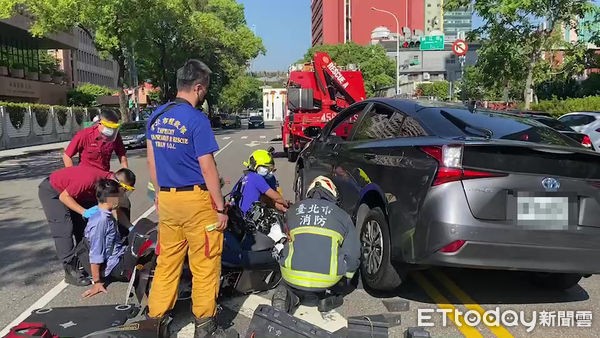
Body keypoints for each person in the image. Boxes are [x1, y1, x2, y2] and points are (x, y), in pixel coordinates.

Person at [146, 59, 234, 337]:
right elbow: (208, 167)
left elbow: (152, 161)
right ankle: (205, 326)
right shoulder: (197, 120)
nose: (204, 95)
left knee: (167, 262)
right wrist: (220, 207)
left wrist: (159, 194)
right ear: (197, 87)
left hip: (169, 201)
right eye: (204, 90)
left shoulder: (156, 117)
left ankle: (155, 321)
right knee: (205, 263)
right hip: (197, 203)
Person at [272, 176, 361, 313]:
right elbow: (353, 255)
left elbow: (282, 239)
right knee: (341, 264)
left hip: (291, 274)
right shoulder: (343, 216)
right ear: (333, 194)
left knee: (288, 249)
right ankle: (328, 297)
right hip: (328, 279)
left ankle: (292, 296)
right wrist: (347, 279)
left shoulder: (293, 211)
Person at [38, 166, 136, 286]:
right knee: (64, 230)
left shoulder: (109, 185)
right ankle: (70, 271)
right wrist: (84, 212)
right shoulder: (89, 179)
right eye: (125, 190)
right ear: (119, 184)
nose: (124, 193)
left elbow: (116, 209)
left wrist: (130, 227)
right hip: (54, 192)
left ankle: (85, 263)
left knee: (83, 228)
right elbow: (63, 197)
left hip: (71, 193)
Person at [80, 179, 130, 298]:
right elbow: (96, 253)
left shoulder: (103, 212)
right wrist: (97, 282)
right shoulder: (101, 221)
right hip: (114, 265)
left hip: (118, 254)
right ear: (111, 198)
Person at [63, 108, 128, 171]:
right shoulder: (84, 135)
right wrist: (73, 176)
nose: (111, 130)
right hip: (86, 177)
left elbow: (121, 154)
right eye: (108, 127)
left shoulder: (115, 135)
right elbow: (67, 156)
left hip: (104, 176)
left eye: (113, 128)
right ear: (99, 123)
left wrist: (126, 171)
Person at [231, 149, 288, 214]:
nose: (269, 171)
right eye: (267, 168)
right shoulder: (256, 178)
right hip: (249, 217)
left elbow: (264, 198)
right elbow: (276, 198)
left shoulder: (244, 177)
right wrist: (287, 205)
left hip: (239, 216)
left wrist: (277, 205)